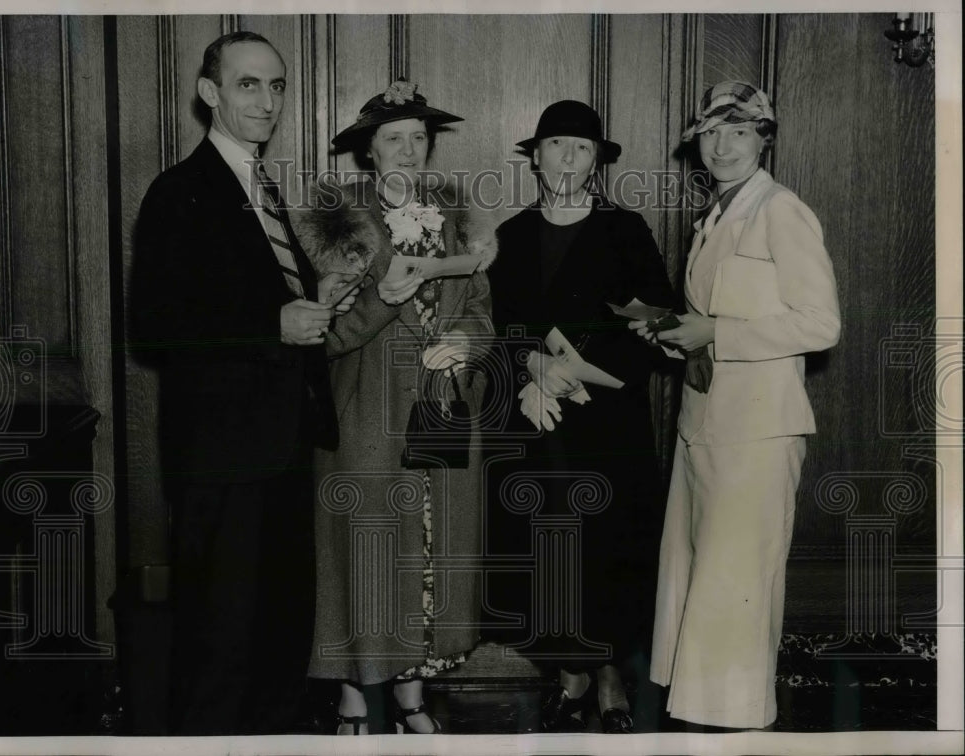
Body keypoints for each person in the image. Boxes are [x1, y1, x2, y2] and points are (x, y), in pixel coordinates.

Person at [130, 31, 356, 735]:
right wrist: (273, 325)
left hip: (282, 449)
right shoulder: (180, 191)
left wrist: (322, 297)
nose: (267, 100)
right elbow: (156, 328)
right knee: (220, 646)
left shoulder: (259, 186)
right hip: (223, 462)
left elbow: (239, 296)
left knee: (278, 641)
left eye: (278, 85)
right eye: (249, 85)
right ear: (211, 94)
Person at [632, 81, 841, 729]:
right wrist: (674, 333)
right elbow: (714, 320)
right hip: (704, 424)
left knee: (736, 582)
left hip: (758, 431)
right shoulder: (717, 214)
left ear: (765, 139)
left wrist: (716, 331)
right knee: (703, 576)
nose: (722, 146)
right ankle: (700, 719)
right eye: (711, 133)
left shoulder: (782, 211)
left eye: (739, 132)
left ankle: (737, 723)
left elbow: (820, 325)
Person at [294, 79, 496, 735]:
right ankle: (355, 696)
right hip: (365, 422)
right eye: (393, 140)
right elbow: (325, 337)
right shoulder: (339, 223)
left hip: (439, 412)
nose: (408, 151)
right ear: (369, 152)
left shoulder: (455, 219)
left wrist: (463, 343)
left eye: (418, 139)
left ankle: (409, 697)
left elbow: (482, 316)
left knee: (426, 558)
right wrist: (383, 295)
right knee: (368, 555)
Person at [483, 100, 676, 733]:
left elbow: (658, 317)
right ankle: (567, 669)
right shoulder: (509, 235)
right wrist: (530, 369)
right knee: (547, 546)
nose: (569, 158)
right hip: (535, 419)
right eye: (557, 145)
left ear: (598, 161)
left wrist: (582, 368)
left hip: (607, 419)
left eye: (583, 148)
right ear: (534, 156)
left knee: (608, 545)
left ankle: (612, 672)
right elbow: (494, 327)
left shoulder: (626, 229)